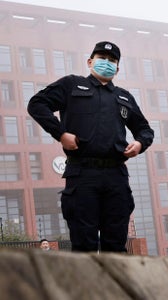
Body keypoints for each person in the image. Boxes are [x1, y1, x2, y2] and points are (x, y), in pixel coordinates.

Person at [28, 41, 154, 253]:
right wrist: (60, 134)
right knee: (84, 246)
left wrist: (140, 144)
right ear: (90, 61)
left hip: (116, 176)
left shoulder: (123, 97)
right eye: (102, 58)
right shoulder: (72, 85)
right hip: (82, 174)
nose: (107, 63)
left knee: (115, 246)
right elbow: (37, 104)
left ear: (118, 68)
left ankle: (113, 286)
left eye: (112, 60)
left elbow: (145, 129)